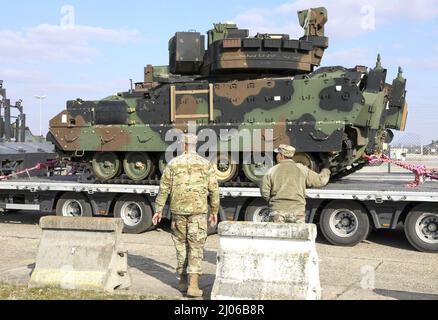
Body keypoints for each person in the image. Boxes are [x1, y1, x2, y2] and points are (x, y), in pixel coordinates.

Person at [152, 133, 219, 298]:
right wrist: (215, 210)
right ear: (196, 146)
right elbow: (214, 189)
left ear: (183, 146)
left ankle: (182, 281)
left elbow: (164, 188)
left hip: (178, 212)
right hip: (198, 212)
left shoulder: (173, 164)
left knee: (181, 246)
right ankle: (194, 286)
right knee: (196, 247)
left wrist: (158, 210)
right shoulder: (205, 164)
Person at [261, 144, 331, 223]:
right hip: (297, 211)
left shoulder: (272, 171)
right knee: (298, 234)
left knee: (279, 234)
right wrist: (326, 169)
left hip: (277, 211)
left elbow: (265, 192)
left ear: (281, 155)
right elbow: (321, 181)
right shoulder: (302, 169)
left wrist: (274, 202)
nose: (276, 156)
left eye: (277, 154)